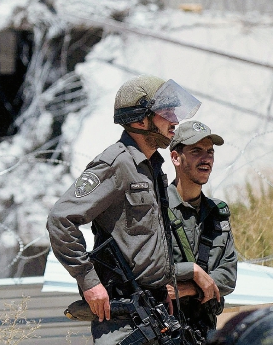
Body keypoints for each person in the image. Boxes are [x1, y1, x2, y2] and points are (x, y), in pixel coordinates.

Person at [47, 74, 201, 344]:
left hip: (154, 307)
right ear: (140, 120)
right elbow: (61, 219)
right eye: (166, 112)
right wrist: (88, 281)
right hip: (121, 311)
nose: (175, 120)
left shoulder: (153, 167)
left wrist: (162, 288)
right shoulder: (116, 163)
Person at [167, 120, 237, 339]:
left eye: (210, 152)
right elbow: (150, 271)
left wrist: (189, 289)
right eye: (196, 151)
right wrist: (194, 273)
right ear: (176, 158)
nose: (206, 158)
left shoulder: (217, 213)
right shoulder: (156, 210)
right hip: (163, 329)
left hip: (203, 330)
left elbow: (228, 275)